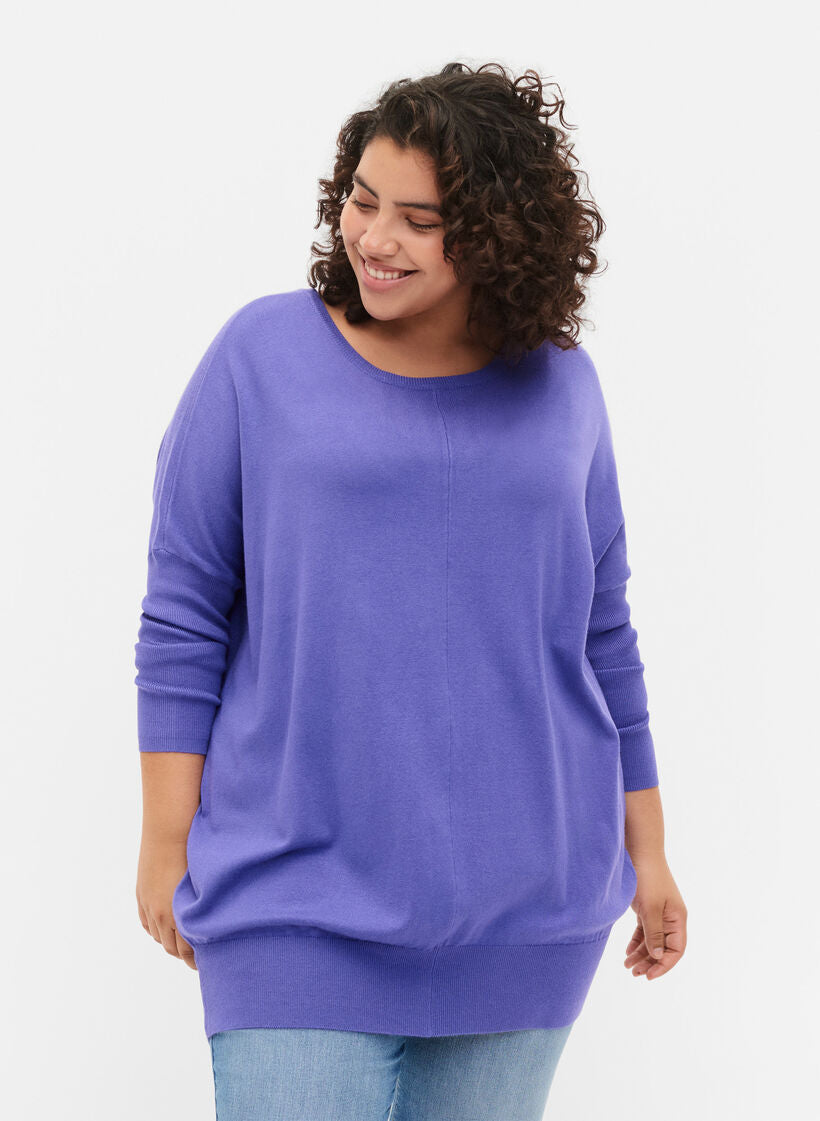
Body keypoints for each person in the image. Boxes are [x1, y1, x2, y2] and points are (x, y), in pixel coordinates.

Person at [134, 61, 687, 1121]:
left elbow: (602, 630)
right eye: (362, 199)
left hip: (530, 907)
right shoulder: (261, 355)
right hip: (287, 894)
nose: (374, 237)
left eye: (419, 220)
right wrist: (166, 836)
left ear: (496, 235)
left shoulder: (564, 387)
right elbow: (184, 609)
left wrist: (649, 849)